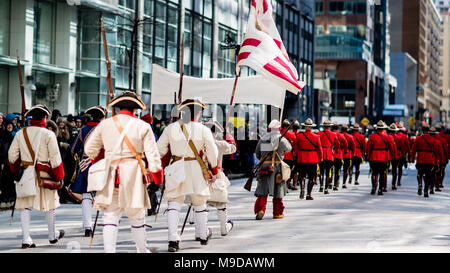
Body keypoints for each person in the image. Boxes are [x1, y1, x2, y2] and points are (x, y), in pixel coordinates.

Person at [85, 91, 163, 253]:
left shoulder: (105, 124)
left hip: (110, 172)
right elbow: (153, 156)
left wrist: (104, 159)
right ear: (136, 109)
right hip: (133, 173)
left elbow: (90, 149)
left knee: (110, 217)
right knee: (137, 216)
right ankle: (142, 250)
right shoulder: (143, 126)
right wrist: (157, 178)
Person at [157, 98, 218, 252]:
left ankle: (173, 239)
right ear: (197, 113)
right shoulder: (204, 129)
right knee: (199, 202)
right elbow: (213, 152)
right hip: (197, 168)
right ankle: (203, 235)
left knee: (173, 203)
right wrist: (214, 169)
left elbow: (159, 150)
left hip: (176, 166)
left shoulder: (170, 128)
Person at [7, 105, 65, 248]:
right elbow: (55, 158)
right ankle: (52, 235)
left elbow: (11, 155)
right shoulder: (49, 134)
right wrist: (59, 176)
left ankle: (26, 239)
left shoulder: (21, 133)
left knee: (25, 206)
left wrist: (17, 170)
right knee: (50, 205)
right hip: (44, 175)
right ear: (44, 118)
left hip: (26, 174)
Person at [69, 106, 107, 237]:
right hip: (102, 164)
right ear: (101, 118)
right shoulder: (105, 130)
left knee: (86, 195)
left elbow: (73, 149)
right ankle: (109, 223)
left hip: (85, 165)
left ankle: (87, 226)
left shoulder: (82, 130)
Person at [253, 119, 291, 219]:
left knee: (262, 191)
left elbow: (257, 153)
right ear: (279, 127)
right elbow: (289, 149)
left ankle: (260, 210)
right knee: (278, 192)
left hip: (264, 167)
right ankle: (277, 213)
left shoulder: (263, 139)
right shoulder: (281, 139)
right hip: (277, 168)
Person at [204, 120, 236, 237]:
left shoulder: (199, 143)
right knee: (221, 204)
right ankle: (224, 228)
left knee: (201, 206)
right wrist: (228, 136)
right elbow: (233, 148)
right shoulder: (218, 144)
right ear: (215, 133)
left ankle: (201, 230)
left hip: (201, 176)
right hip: (216, 175)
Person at [294, 118, 322, 200]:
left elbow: (295, 148)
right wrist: (321, 158)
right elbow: (319, 149)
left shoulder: (299, 136)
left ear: (305, 127)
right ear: (311, 127)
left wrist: (295, 156)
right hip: (313, 159)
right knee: (311, 177)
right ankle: (308, 194)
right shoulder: (316, 137)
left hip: (302, 158)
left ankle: (302, 190)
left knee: (302, 175)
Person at [410, 124, 442, 198]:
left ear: (422, 130)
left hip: (420, 159)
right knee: (428, 175)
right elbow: (436, 152)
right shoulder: (433, 140)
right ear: (428, 131)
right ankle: (425, 190)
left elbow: (413, 150)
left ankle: (420, 185)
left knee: (419, 174)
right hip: (429, 160)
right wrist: (437, 161)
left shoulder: (418, 139)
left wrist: (412, 158)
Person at [367, 121, 396, 196]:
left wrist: (368, 156)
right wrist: (392, 156)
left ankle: (373, 187)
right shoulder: (388, 137)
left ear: (377, 128)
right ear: (383, 128)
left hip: (374, 157)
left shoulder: (372, 136)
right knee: (382, 174)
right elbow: (392, 147)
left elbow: (369, 147)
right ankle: (380, 189)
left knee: (374, 173)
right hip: (384, 157)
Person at [318, 120, 339, 194]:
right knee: (328, 172)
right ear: (330, 126)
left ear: (323, 126)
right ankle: (326, 189)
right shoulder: (333, 134)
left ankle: (321, 186)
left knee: (321, 171)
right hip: (329, 154)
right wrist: (335, 150)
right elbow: (337, 144)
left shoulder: (319, 133)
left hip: (321, 154)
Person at [280, 120, 297, 190]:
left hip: (279, 156)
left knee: (280, 171)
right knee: (288, 171)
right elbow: (295, 145)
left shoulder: (279, 134)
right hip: (289, 156)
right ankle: (286, 186)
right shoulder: (292, 135)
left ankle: (281, 186)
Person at [331, 122, 348, 191]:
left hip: (330, 154)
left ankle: (329, 183)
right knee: (337, 170)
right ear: (338, 128)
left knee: (330, 170)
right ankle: (335, 184)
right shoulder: (341, 135)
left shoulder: (330, 134)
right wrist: (345, 151)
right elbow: (346, 145)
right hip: (339, 154)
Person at [429, 127, 445, 193]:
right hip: (435, 160)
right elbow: (441, 152)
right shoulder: (439, 140)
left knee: (427, 174)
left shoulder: (421, 138)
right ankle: (437, 186)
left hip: (425, 159)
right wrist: (443, 160)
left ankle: (428, 186)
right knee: (437, 174)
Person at [341, 124, 356, 189]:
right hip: (347, 154)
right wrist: (353, 154)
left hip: (339, 153)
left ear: (341, 129)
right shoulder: (350, 137)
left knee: (337, 169)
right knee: (345, 170)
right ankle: (344, 183)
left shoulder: (338, 135)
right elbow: (353, 146)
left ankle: (335, 183)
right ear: (347, 130)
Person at [387, 124, 400, 191]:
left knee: (385, 171)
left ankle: (384, 185)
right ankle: (393, 184)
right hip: (396, 155)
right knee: (394, 171)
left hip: (387, 155)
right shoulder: (398, 137)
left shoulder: (387, 137)